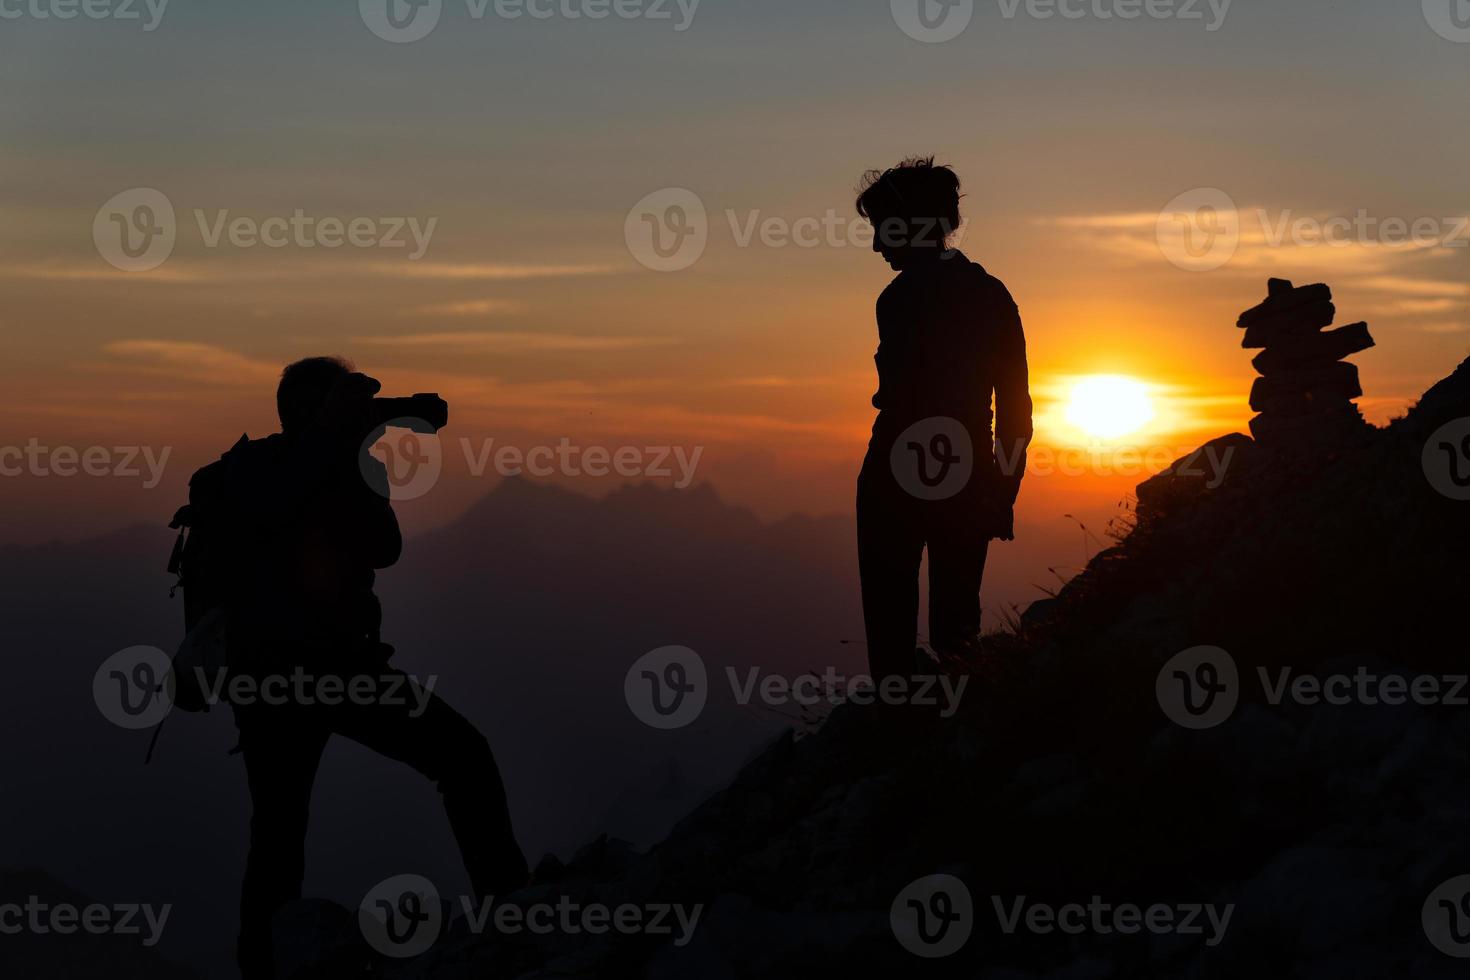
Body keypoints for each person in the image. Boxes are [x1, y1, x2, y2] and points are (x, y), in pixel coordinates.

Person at [195, 357, 527, 978]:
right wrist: (346, 457)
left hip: (267, 680)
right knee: (463, 757)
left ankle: (261, 968)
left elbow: (371, 547)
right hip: (330, 672)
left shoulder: (263, 469)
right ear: (322, 412)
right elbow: (384, 547)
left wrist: (347, 450)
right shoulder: (291, 470)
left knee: (276, 836)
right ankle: (514, 909)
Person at [854, 158, 1033, 683]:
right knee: (957, 634)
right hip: (967, 475)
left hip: (894, 477)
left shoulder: (900, 298)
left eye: (884, 230)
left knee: (890, 636)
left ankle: (898, 735)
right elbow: (1016, 412)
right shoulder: (992, 296)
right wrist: (1002, 491)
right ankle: (955, 737)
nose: (877, 246)